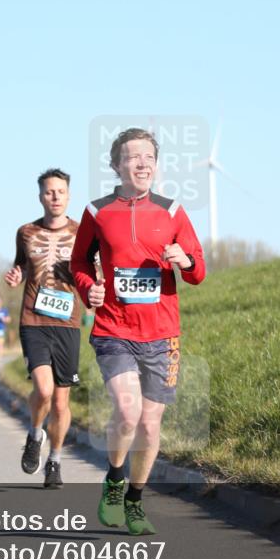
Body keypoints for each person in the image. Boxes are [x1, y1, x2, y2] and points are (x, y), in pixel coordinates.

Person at [71, 128, 205, 535]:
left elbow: (198, 271)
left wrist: (185, 259)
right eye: (132, 157)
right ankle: (114, 479)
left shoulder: (173, 211)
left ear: (156, 164)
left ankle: (134, 498)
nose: (142, 163)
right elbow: (77, 264)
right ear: (116, 165)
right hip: (114, 328)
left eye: (148, 156)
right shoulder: (96, 212)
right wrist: (87, 289)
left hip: (163, 335)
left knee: (149, 425)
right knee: (127, 413)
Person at [5, 168, 82, 489]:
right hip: (33, 320)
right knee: (44, 390)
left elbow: (94, 272)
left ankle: (55, 461)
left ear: (68, 195)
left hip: (67, 322)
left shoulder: (82, 232)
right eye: (49, 192)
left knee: (62, 403)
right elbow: (21, 264)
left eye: (60, 192)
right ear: (40, 196)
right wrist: (16, 275)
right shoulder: (26, 232)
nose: (55, 197)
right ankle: (35, 434)